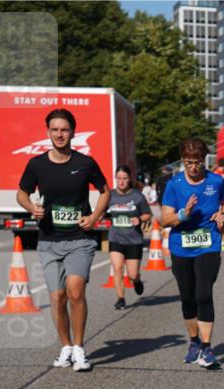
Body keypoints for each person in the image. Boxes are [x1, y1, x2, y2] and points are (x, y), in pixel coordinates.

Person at [17, 108, 111, 371]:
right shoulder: (37, 165)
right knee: (57, 298)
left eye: (64, 129)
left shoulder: (85, 163)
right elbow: (22, 193)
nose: (60, 134)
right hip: (49, 241)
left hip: (79, 239)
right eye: (55, 129)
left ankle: (80, 349)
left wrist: (93, 217)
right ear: (48, 132)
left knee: (75, 290)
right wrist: (31, 208)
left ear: (72, 132)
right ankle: (66, 346)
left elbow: (105, 191)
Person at [160, 138, 224, 369]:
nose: (193, 167)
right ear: (182, 160)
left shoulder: (216, 181)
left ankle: (207, 348)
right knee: (188, 297)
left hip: (208, 243)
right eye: (189, 162)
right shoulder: (174, 184)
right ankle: (194, 342)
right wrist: (183, 214)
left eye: (198, 162)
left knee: (203, 293)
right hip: (181, 245)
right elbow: (164, 219)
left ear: (204, 161)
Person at [107, 165, 151, 309]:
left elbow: (147, 214)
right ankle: (121, 298)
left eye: (124, 178)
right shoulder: (110, 195)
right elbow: (101, 211)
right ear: (115, 178)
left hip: (133, 240)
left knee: (132, 275)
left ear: (129, 179)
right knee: (118, 268)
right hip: (115, 238)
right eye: (118, 178)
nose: (121, 182)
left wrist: (139, 219)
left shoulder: (137, 196)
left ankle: (137, 281)